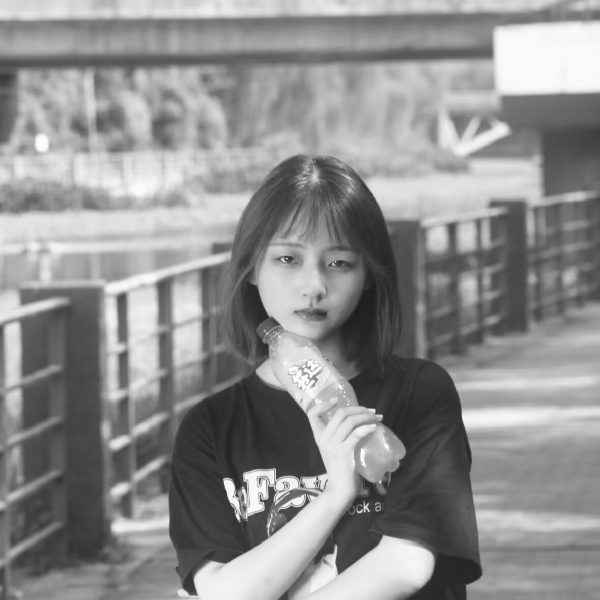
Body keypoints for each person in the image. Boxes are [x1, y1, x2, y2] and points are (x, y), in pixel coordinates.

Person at [169, 154, 482, 600]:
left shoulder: (420, 392)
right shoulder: (212, 428)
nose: (314, 285)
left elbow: (406, 564)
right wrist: (336, 493)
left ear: (369, 274)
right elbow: (222, 589)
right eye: (288, 258)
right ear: (252, 268)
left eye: (339, 263)